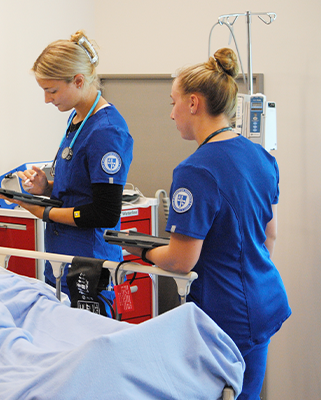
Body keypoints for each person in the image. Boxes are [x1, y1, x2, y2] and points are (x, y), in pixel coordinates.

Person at [121, 48, 290, 400]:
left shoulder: (195, 170)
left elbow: (182, 261)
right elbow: (269, 235)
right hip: (264, 300)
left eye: (174, 103)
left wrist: (142, 251)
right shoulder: (260, 156)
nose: (172, 114)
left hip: (226, 315)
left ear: (194, 103)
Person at [6, 30, 133, 297]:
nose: (47, 99)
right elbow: (78, 190)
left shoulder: (107, 131)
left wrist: (43, 212)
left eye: (52, 90)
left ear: (78, 81)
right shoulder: (77, 119)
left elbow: (104, 212)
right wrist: (47, 187)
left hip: (90, 260)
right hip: (62, 258)